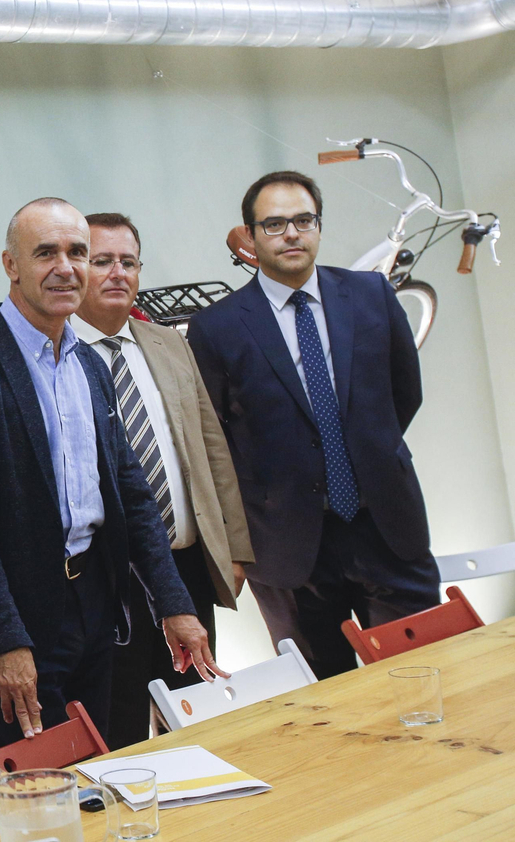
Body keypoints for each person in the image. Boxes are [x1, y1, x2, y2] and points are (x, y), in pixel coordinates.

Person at [0, 197, 223, 751]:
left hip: (94, 604)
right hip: (19, 618)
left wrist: (174, 602)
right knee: (48, 790)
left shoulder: (87, 363)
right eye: (46, 253)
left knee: (109, 766)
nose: (66, 267)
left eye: (77, 252)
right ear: (11, 265)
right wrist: (4, 642)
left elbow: (131, 494)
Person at [187, 172, 439, 680]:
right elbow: (214, 441)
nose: (292, 234)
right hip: (287, 547)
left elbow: (403, 394)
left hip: (386, 527)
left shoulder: (371, 295)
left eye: (304, 220)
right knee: (325, 700)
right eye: (275, 223)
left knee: (424, 675)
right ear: (252, 236)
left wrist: (361, 456)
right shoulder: (216, 327)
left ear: (318, 226)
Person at [69, 213, 256, 748]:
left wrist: (234, 547)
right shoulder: (59, 358)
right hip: (110, 579)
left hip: (187, 563)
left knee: (195, 717)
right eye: (102, 261)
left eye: (128, 262)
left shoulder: (170, 344)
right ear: (77, 268)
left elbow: (211, 448)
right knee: (122, 725)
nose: (116, 273)